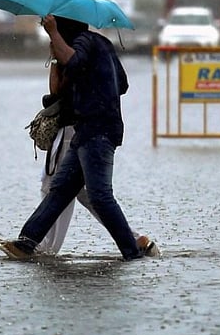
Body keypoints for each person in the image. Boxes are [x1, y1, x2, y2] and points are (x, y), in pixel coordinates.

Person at [0, 15, 147, 261]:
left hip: (98, 131)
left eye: (56, 27)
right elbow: (60, 89)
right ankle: (26, 244)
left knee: (99, 195)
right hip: (86, 130)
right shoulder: (97, 46)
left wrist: (54, 34)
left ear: (64, 27)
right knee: (60, 190)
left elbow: (74, 61)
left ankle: (133, 251)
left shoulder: (86, 41)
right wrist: (59, 54)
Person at [35, 59, 159, 257]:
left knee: (56, 187)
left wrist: (55, 61)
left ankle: (43, 246)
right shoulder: (92, 55)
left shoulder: (71, 53)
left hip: (72, 129)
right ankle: (134, 238)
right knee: (84, 192)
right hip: (85, 129)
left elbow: (57, 90)